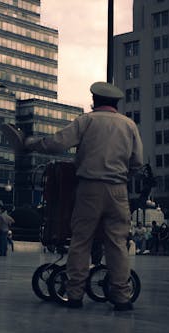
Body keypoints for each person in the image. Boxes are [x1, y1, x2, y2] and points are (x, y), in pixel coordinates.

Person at [24, 82, 143, 310]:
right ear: (116, 104)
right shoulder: (129, 125)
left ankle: (75, 294)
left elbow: (58, 143)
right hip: (119, 190)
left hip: (90, 188)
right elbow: (137, 162)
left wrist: (32, 144)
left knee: (81, 241)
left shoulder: (87, 121)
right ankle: (121, 296)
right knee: (117, 243)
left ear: (94, 101)